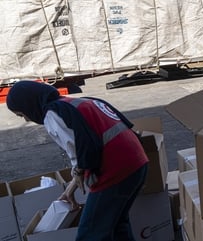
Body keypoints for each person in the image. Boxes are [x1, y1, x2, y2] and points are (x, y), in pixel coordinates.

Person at [6, 81, 148, 241]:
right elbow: (84, 153)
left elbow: (80, 152)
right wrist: (69, 190)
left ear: (28, 104)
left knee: (90, 234)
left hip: (115, 171)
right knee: (117, 225)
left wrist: (78, 177)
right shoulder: (76, 102)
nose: (26, 119)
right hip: (137, 163)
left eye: (22, 114)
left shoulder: (53, 113)